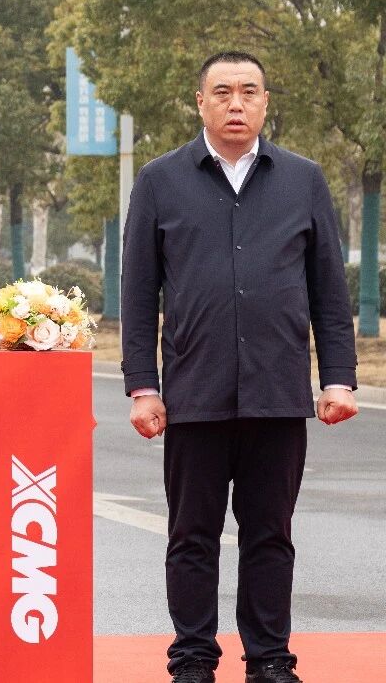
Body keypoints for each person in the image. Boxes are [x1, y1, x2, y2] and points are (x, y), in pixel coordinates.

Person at [121, 52, 358, 683]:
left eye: (249, 91)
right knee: (191, 537)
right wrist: (142, 386)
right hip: (193, 394)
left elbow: (329, 291)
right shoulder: (160, 180)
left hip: (277, 393)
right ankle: (193, 659)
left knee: (270, 536)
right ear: (200, 102)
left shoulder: (303, 179)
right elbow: (139, 293)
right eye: (222, 92)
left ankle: (270, 658)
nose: (236, 103)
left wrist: (338, 378)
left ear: (265, 102)